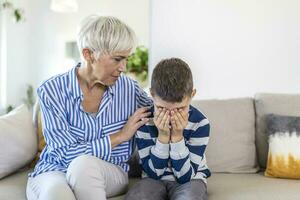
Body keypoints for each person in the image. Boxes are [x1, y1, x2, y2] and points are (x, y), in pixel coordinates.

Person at [26, 15, 152, 200]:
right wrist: (120, 137)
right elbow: (64, 154)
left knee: (84, 166)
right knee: (56, 194)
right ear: (88, 54)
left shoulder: (129, 89)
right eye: (117, 59)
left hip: (109, 171)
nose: (123, 67)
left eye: (126, 59)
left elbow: (163, 110)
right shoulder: (51, 91)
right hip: (55, 170)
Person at [124, 58, 211, 200]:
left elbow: (185, 176)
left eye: (180, 108)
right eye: (162, 108)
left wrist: (177, 137)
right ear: (152, 94)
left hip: (191, 180)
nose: (170, 116)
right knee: (138, 197)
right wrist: (163, 137)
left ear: (191, 96)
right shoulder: (144, 121)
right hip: (153, 180)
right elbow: (154, 173)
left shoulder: (200, 123)